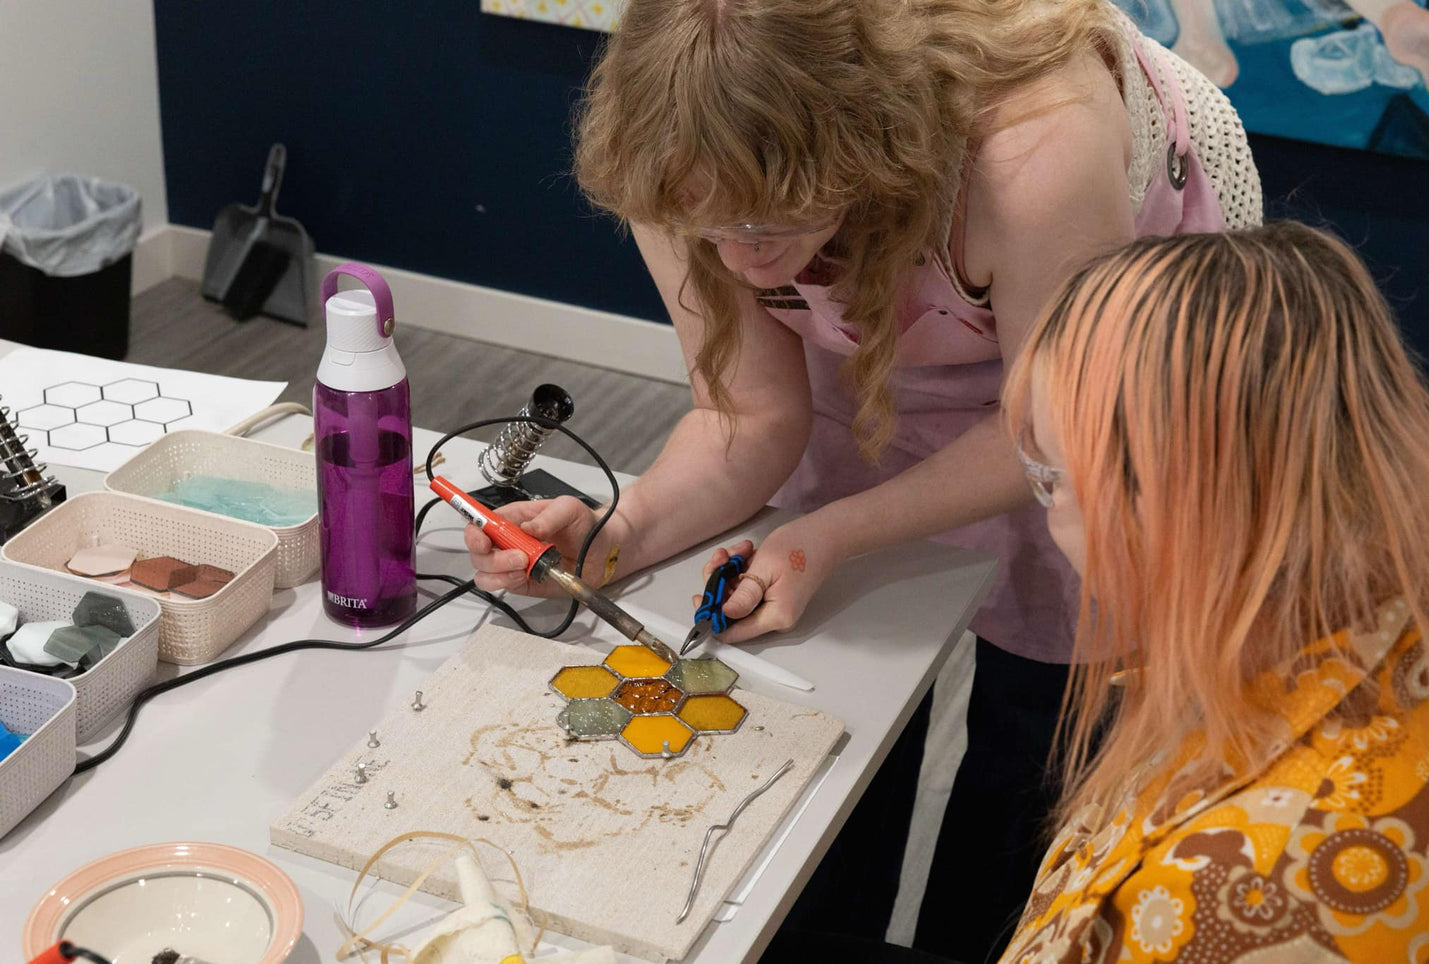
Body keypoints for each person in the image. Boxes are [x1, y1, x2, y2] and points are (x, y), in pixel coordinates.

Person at [468, 0, 1261, 955]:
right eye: (708, 229)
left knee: (1040, 735)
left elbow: (1060, 427)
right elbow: (747, 415)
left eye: (765, 223)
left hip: (1089, 345)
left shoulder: (1034, 140)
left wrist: (831, 531)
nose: (740, 258)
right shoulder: (674, 154)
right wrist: (620, 529)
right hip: (902, 312)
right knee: (840, 695)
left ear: (866, 147)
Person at [997, 221, 1429, 962]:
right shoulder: (1386, 616)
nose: (1049, 515)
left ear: (1168, 504)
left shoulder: (1238, 895)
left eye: (1052, 478)